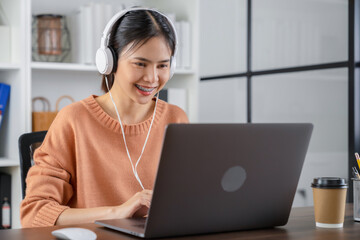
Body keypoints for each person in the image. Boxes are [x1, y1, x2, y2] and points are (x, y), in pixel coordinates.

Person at [20, 8, 188, 228]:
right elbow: (34, 214)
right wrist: (117, 212)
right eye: (140, 63)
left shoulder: (175, 118)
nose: (152, 78)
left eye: (163, 65)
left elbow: (189, 200)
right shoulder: (73, 120)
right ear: (110, 61)